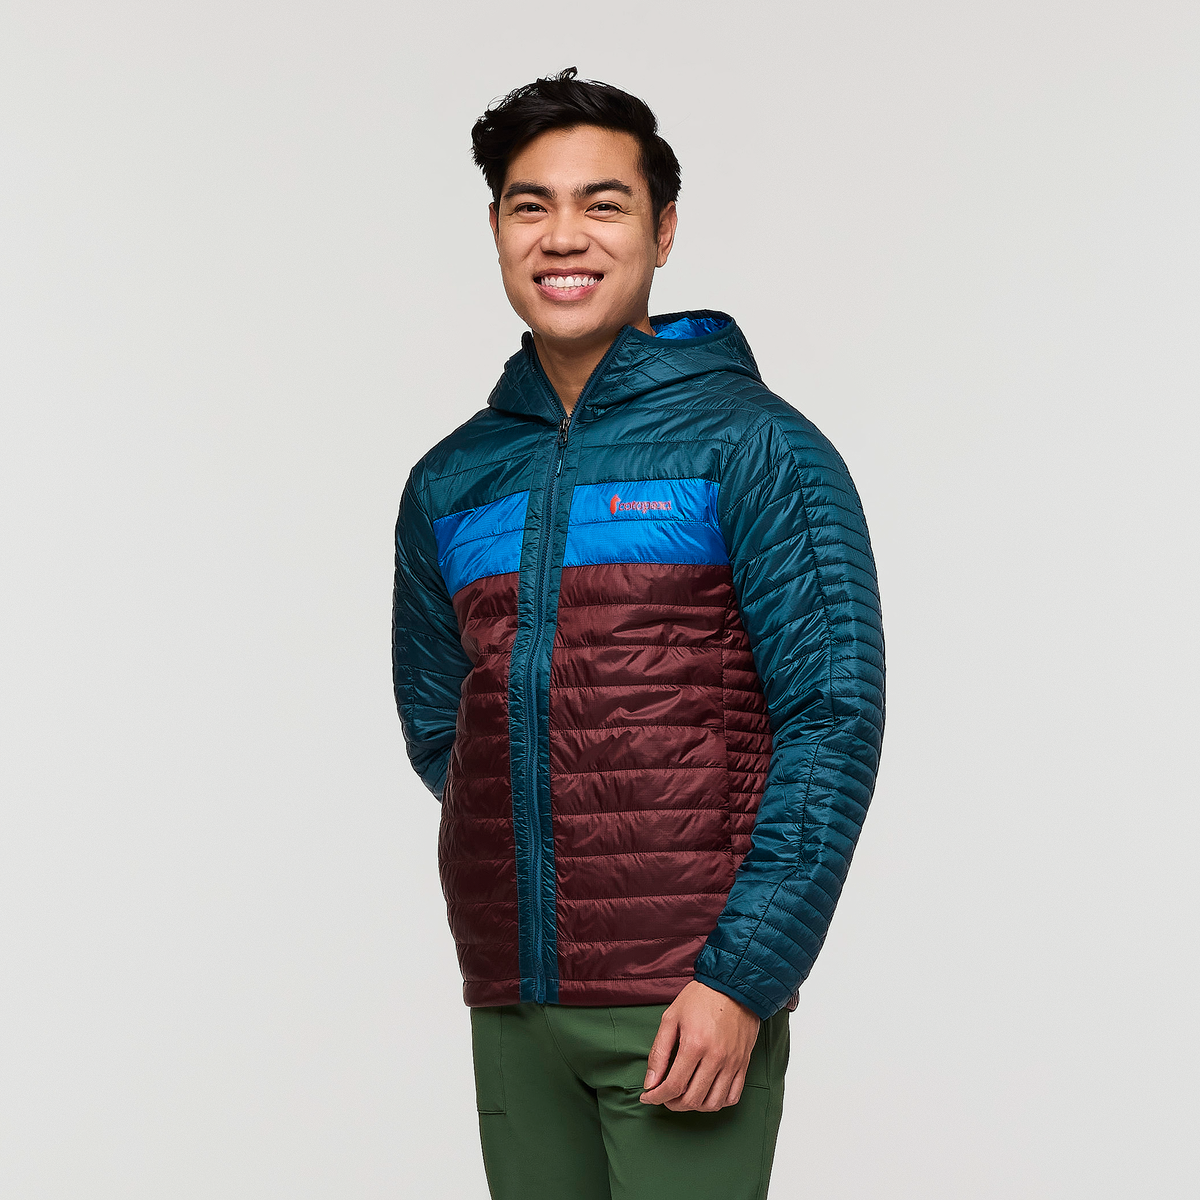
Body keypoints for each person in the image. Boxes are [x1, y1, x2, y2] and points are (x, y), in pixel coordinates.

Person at [392, 67, 884, 1200]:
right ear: (497, 227)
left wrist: (742, 976)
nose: (564, 236)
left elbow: (832, 719)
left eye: (602, 204)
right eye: (531, 205)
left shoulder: (754, 446)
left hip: (687, 999)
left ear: (662, 231)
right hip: (514, 999)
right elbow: (446, 722)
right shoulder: (453, 478)